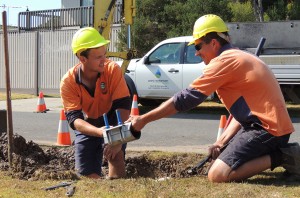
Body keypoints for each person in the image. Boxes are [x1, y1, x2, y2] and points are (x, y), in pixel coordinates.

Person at [127, 14, 296, 182]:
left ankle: (286, 156)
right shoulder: (238, 57)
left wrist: (143, 120)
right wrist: (221, 142)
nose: (197, 53)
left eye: (198, 47)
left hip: (267, 130)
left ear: (214, 43)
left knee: (218, 175)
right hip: (268, 127)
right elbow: (246, 114)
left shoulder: (224, 61)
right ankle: (280, 153)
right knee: (218, 160)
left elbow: (186, 98)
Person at [60, 27, 131, 179]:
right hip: (88, 124)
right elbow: (74, 119)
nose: (104, 61)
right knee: (86, 175)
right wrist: (100, 132)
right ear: (82, 58)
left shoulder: (112, 70)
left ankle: (117, 188)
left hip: (113, 119)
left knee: (116, 153)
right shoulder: (68, 81)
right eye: (98, 57)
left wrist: (118, 139)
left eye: (104, 55)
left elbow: (124, 106)